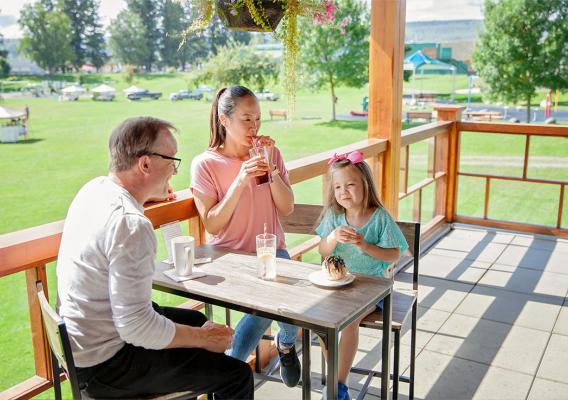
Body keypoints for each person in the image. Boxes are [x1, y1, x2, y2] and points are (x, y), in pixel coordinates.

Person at [57, 117, 253, 399]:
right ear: (145, 164)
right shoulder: (130, 224)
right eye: (172, 160)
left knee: (195, 320)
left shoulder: (94, 191)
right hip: (106, 366)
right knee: (237, 375)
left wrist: (147, 195)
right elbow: (137, 327)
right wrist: (204, 340)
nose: (174, 171)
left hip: (80, 345)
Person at [190, 86, 301, 387]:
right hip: (229, 258)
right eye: (246, 119)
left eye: (258, 119)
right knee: (271, 301)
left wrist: (271, 166)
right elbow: (212, 225)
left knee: (278, 295)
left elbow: (287, 207)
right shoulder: (205, 164)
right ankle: (234, 370)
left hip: (270, 250)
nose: (254, 127)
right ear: (224, 120)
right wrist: (241, 179)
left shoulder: (270, 152)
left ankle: (284, 345)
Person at [315, 150, 408, 400]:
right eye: (337, 187)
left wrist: (365, 246)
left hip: (372, 287)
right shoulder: (335, 216)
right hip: (340, 284)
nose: (343, 192)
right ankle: (336, 380)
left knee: (349, 321)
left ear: (365, 185)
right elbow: (322, 250)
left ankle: (339, 385)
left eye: (350, 185)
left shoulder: (379, 217)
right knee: (319, 321)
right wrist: (333, 237)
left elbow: (394, 255)